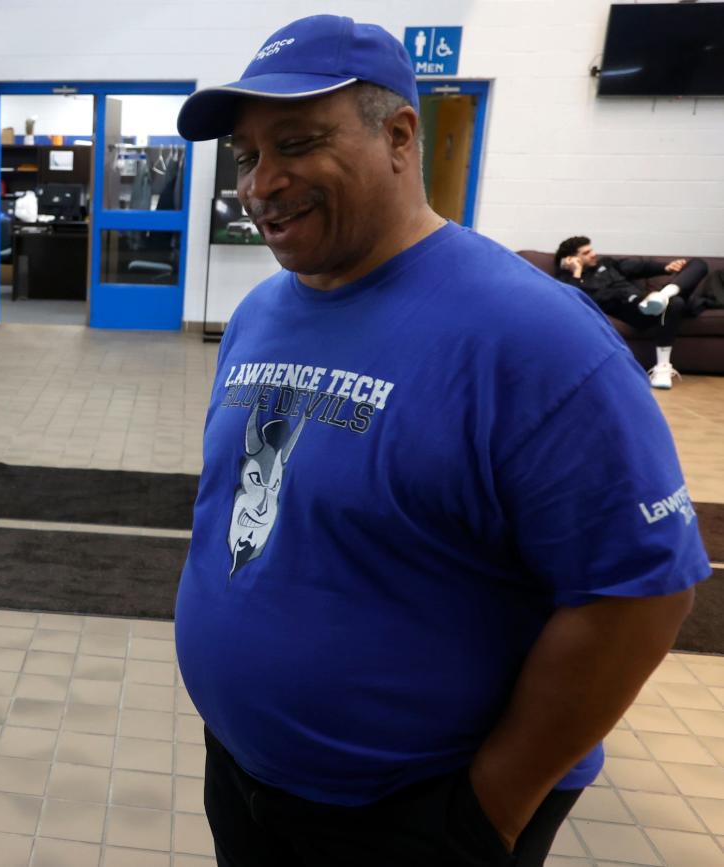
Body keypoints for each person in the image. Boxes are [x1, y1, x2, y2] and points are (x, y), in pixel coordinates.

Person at [174, 15, 708, 867]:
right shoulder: (259, 315)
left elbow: (644, 592)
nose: (262, 182)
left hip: (413, 815)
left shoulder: (532, 336)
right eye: (246, 155)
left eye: (297, 143)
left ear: (398, 134)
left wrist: (481, 816)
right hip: (246, 773)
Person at [554, 236, 710, 388]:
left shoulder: (607, 263)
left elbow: (640, 267)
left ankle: (664, 295)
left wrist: (666, 267)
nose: (593, 254)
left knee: (699, 264)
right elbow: (574, 301)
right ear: (572, 259)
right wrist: (576, 272)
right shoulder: (566, 280)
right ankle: (662, 367)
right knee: (676, 303)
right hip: (633, 309)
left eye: (591, 250)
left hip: (651, 300)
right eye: (586, 253)